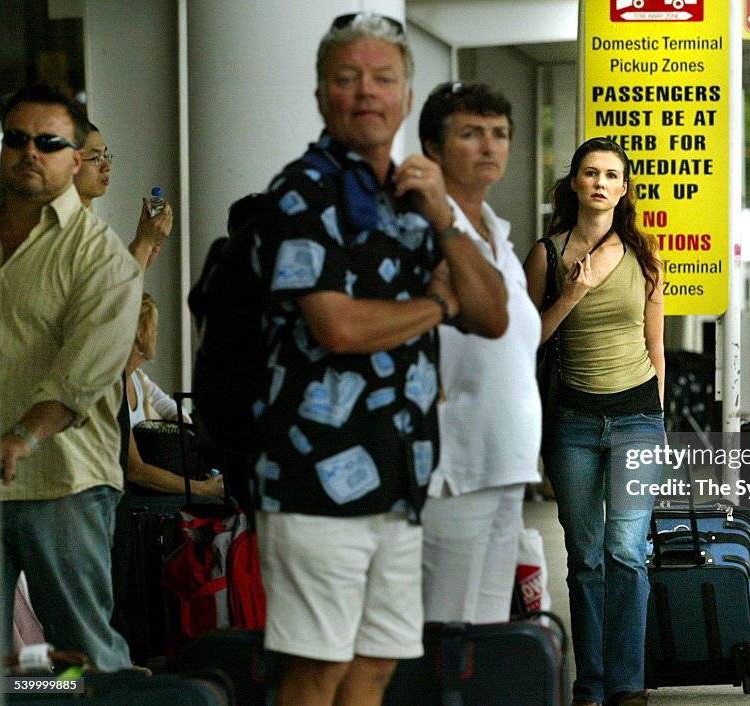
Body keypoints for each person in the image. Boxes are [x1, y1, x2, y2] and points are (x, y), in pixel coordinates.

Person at [251, 14, 507, 706]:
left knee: (375, 666)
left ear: (403, 96)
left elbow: (493, 315)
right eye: (347, 77)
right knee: (315, 673)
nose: (366, 92)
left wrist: (446, 220)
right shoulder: (300, 192)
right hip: (313, 485)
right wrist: (434, 308)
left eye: (383, 78)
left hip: (399, 483)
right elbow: (336, 327)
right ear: (320, 96)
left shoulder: (416, 197)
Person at [0, 84, 141, 671]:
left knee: (83, 657)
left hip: (63, 482)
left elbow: (80, 375)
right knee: (15, 675)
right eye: (16, 139)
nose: (30, 151)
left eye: (49, 142)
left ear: (75, 159)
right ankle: (38, 699)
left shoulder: (101, 257)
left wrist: (22, 438)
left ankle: (85, 698)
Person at [523, 137, 664, 706]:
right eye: (590, 173)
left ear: (624, 189)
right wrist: (572, 292)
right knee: (584, 558)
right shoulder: (547, 254)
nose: (601, 182)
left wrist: (659, 411)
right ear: (574, 184)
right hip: (574, 422)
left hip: (636, 417)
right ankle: (591, 683)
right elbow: (524, 338)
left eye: (612, 174)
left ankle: (627, 682)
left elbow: (657, 345)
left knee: (626, 552)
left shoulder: (646, 253)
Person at [417, 81, 542, 622]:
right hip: (452, 463)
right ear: (435, 149)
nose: (490, 146)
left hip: (507, 458)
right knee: (444, 625)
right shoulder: (421, 231)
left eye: (500, 134)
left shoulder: (499, 235)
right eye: (471, 134)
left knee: (490, 626)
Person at [123, 292, 222, 499]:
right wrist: (201, 488)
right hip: (134, 495)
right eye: (154, 329)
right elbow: (136, 470)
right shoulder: (114, 387)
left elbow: (171, 407)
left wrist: (180, 431)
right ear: (140, 335)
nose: (157, 335)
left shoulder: (139, 379)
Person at [73, 121, 174, 270]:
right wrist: (143, 245)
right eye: (96, 158)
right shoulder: (65, 227)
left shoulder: (88, 220)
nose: (107, 166)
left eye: (106, 155)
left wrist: (142, 253)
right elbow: (107, 293)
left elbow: (116, 286)